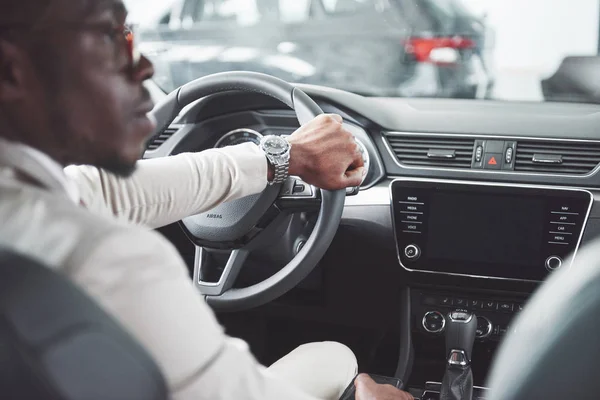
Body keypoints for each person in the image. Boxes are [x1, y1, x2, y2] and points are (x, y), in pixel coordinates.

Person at [0, 0, 413, 399]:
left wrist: (283, 157)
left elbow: (103, 190)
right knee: (334, 357)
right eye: (112, 39)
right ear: (12, 72)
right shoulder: (108, 259)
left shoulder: (21, 201)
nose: (145, 66)